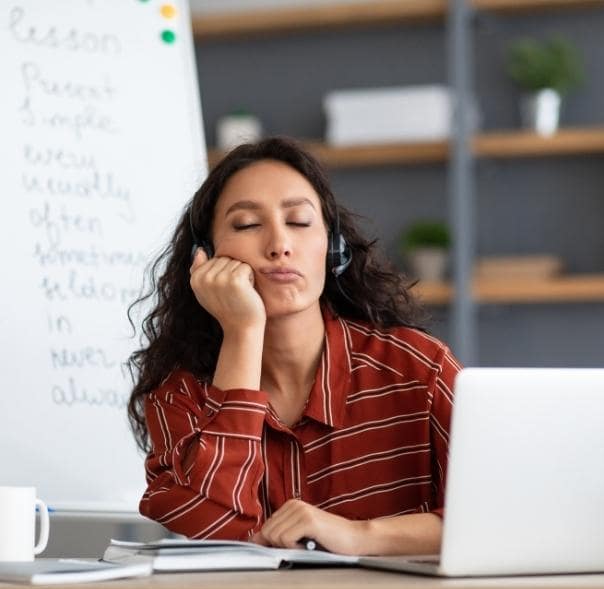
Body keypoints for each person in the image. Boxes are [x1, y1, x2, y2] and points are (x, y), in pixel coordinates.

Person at [127, 136, 461, 556]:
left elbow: (501, 519)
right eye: (248, 224)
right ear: (204, 258)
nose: (279, 245)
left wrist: (359, 535)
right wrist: (243, 331)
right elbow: (216, 531)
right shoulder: (180, 395)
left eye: (300, 222)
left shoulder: (420, 370)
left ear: (332, 247)